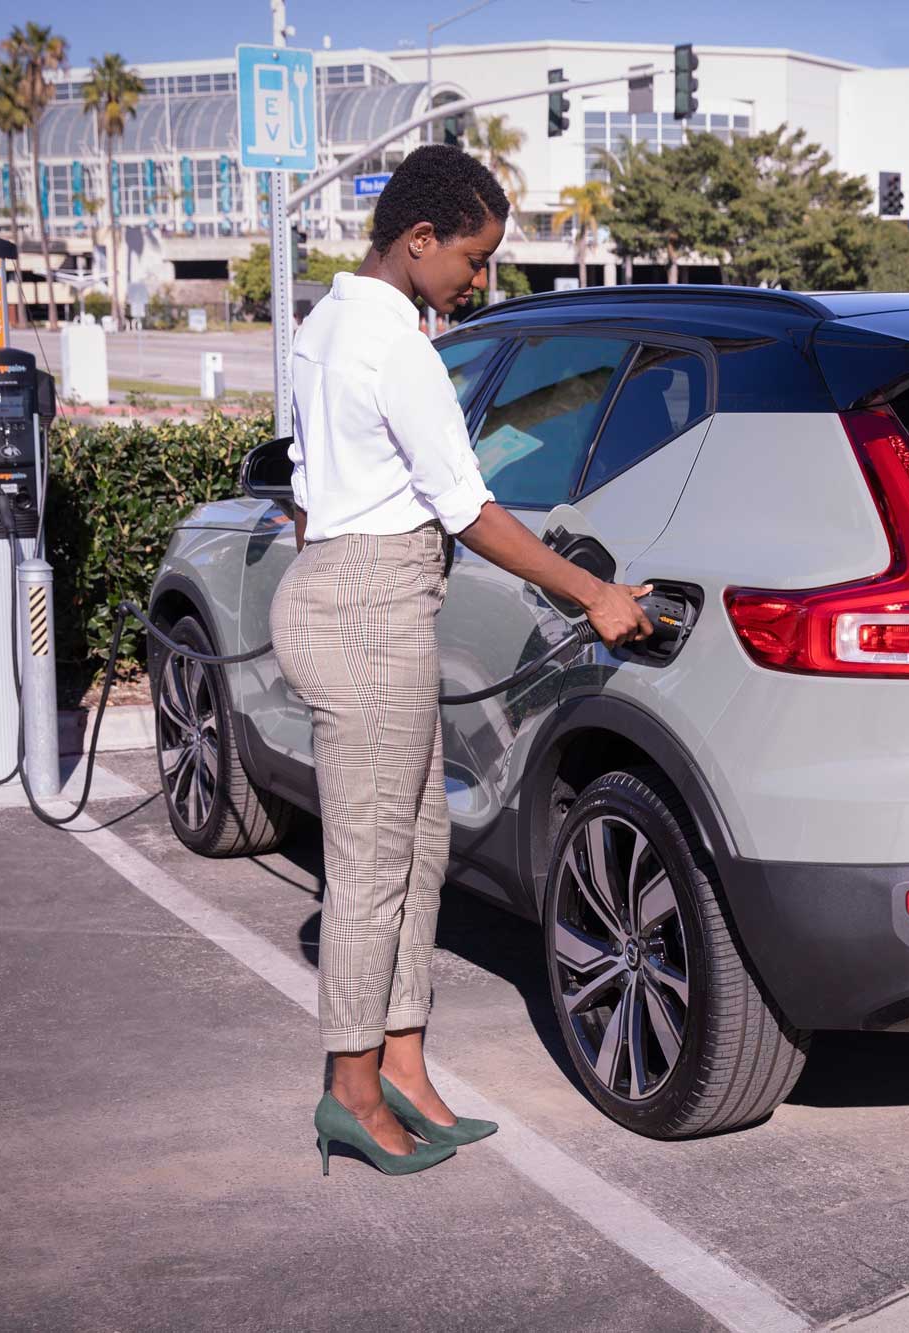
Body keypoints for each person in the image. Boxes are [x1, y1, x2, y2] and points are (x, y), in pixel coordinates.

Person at [272, 145, 653, 1177]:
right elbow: (471, 510)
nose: (477, 281)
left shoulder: (324, 324)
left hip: (355, 591)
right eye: (473, 260)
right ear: (418, 240)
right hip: (367, 608)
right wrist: (595, 595)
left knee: (418, 842)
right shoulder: (394, 345)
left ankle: (404, 1063)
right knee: (369, 869)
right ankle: (349, 1091)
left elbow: (308, 483)